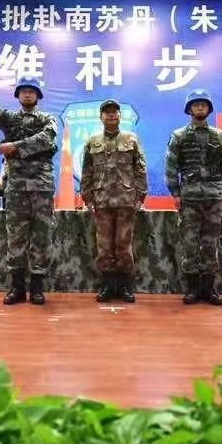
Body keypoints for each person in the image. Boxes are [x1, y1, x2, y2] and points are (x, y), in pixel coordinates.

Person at [0, 76, 58, 305]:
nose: (27, 94)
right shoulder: (10, 118)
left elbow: (46, 139)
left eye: (31, 91)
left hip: (41, 186)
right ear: (18, 95)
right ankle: (17, 288)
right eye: (23, 90)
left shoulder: (48, 119)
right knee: (16, 237)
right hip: (17, 186)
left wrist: (14, 147)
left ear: (38, 96)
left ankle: (37, 288)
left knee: (41, 237)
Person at [165, 88, 222, 306]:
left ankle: (209, 288)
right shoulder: (179, 136)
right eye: (196, 104)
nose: (200, 108)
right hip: (190, 198)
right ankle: (193, 288)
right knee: (189, 243)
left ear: (209, 109)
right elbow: (171, 167)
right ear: (189, 109)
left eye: (203, 104)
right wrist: (175, 193)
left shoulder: (220, 136)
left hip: (214, 197)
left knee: (211, 243)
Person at [80, 100, 148, 303]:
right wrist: (87, 197)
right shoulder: (92, 141)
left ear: (120, 116)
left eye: (114, 112)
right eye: (107, 112)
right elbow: (86, 171)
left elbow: (140, 168)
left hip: (126, 201)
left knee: (123, 244)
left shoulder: (131, 139)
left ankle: (125, 287)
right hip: (101, 201)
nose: (111, 115)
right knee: (104, 246)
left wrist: (140, 196)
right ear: (100, 117)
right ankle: (108, 286)